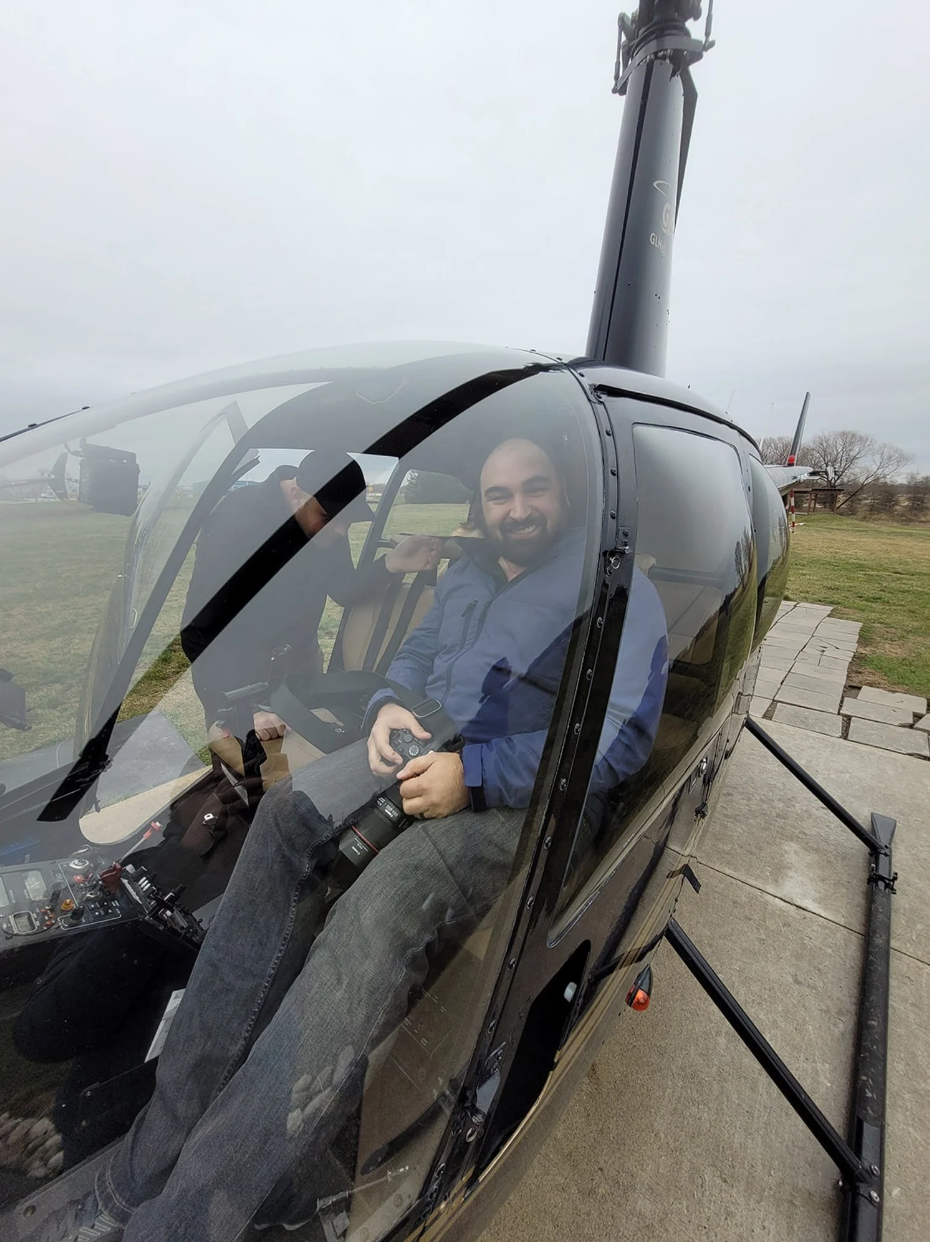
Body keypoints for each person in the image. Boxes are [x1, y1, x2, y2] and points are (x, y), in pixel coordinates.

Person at [38, 437, 667, 1242]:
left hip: (530, 796)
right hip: (423, 751)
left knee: (378, 910)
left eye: (532, 490)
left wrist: (472, 776)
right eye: (498, 494)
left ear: (567, 495)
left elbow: (616, 743)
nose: (515, 509)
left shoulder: (617, 593)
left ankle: (188, 1221)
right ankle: (139, 1172)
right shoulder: (472, 569)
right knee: (283, 815)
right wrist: (388, 707)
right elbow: (417, 655)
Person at [180, 449, 441, 742]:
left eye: (348, 521)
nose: (341, 531)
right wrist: (234, 706)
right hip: (241, 679)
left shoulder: (327, 524)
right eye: (331, 518)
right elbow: (202, 626)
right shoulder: (236, 520)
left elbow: (341, 587)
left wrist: (392, 563)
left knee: (307, 764)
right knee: (247, 776)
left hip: (298, 670)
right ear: (295, 495)